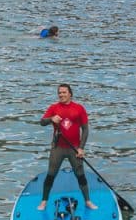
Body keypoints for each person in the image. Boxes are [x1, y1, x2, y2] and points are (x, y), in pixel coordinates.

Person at [37, 83, 98, 211]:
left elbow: (85, 129)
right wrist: (51, 119)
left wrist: (81, 148)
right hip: (58, 147)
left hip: (74, 148)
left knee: (80, 174)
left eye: (64, 92)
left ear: (70, 94)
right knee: (51, 174)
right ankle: (44, 201)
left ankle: (87, 201)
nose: (61, 95)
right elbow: (42, 122)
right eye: (59, 92)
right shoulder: (54, 108)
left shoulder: (79, 108)